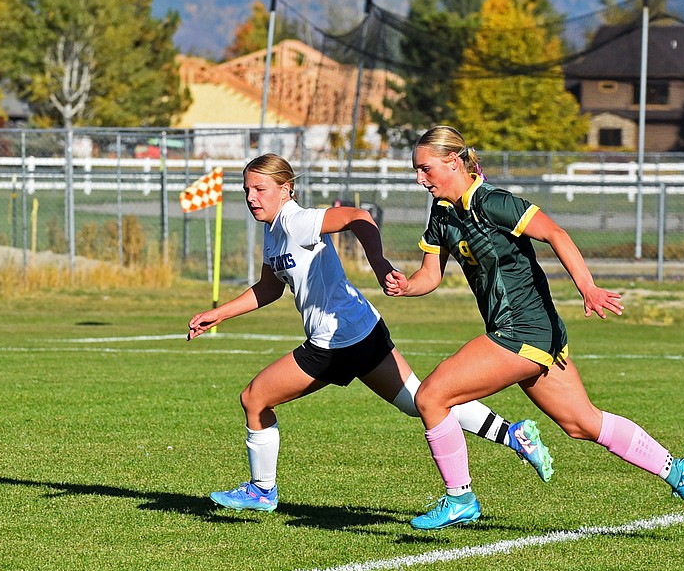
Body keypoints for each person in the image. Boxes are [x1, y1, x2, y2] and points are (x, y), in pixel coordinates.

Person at [187, 152, 552, 513]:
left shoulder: (297, 221)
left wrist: (379, 265)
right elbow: (270, 288)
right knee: (420, 402)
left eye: (260, 189)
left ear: (286, 190)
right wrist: (218, 314)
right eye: (246, 190)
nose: (251, 198)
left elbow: (358, 217)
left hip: (335, 341)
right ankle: (514, 435)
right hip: (362, 330)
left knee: (254, 398)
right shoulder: (273, 232)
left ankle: (262, 490)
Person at [384, 126, 684, 530]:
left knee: (431, 397)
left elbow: (555, 233)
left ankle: (460, 498)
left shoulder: (493, 202)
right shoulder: (443, 215)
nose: (419, 179)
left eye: (425, 169)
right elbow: (430, 274)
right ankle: (678, 471)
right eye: (416, 170)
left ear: (453, 162)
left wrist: (586, 287)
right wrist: (407, 286)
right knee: (582, 423)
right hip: (533, 334)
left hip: (522, 330)